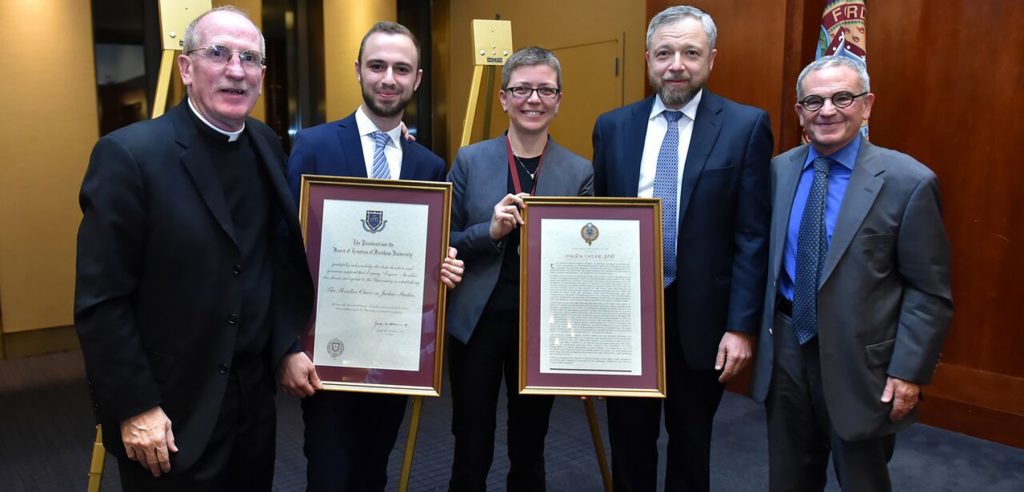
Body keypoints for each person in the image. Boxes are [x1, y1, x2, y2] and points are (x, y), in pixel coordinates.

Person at [74, 7, 313, 490]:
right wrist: (135, 406)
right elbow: (102, 301)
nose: (235, 69)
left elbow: (272, 258)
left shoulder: (266, 144)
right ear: (186, 68)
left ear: (262, 76)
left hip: (252, 406)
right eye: (218, 53)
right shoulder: (129, 156)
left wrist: (286, 343)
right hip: (168, 412)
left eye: (249, 58)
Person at [591, 5, 773, 491]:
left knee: (691, 446)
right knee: (629, 444)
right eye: (665, 52)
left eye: (690, 53)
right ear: (648, 58)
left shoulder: (746, 126)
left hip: (704, 325)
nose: (677, 64)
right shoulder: (613, 128)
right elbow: (598, 229)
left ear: (711, 59)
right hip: (629, 322)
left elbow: (753, 236)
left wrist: (741, 327)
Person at [750, 55, 953, 491]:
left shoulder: (907, 181)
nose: (827, 110)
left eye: (843, 97)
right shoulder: (778, 171)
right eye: (814, 100)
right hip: (786, 347)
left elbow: (928, 291)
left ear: (867, 105)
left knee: (863, 481)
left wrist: (909, 371)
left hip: (863, 364)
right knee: (787, 480)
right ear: (799, 111)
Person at [283, 21, 463, 492]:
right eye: (377, 66)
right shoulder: (314, 145)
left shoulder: (429, 165)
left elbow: (424, 256)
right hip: (328, 350)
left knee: (373, 470)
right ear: (358, 71)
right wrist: (289, 344)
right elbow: (286, 248)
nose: (389, 78)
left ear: (417, 79)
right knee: (329, 472)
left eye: (401, 69)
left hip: (394, 350)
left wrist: (440, 266)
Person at [445, 46, 593, 491]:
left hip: (543, 331)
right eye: (522, 89)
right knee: (471, 445)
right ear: (503, 99)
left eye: (545, 90)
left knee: (530, 446)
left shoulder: (579, 171)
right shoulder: (470, 160)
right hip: (477, 323)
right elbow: (441, 243)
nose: (534, 99)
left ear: (559, 99)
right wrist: (487, 232)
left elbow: (587, 262)